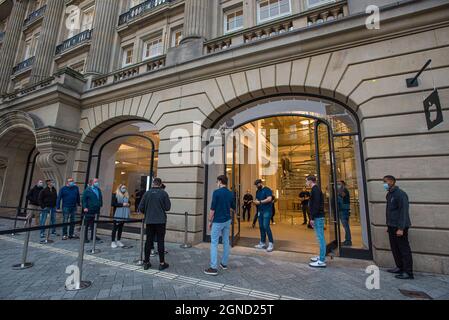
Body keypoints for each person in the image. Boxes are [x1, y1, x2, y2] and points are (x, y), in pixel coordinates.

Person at [204, 175, 236, 276]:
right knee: (226, 241)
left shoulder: (216, 192)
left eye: (217, 182)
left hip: (218, 221)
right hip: (227, 220)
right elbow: (233, 207)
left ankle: (213, 267)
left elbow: (212, 208)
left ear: (220, 182)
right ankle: (224, 263)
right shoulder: (230, 193)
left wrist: (210, 220)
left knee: (214, 243)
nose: (217, 183)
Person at [384, 175, 414, 280]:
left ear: (392, 182)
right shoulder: (389, 195)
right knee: (395, 248)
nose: (384, 184)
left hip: (400, 227)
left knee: (404, 249)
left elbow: (403, 212)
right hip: (392, 226)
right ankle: (399, 267)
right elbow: (390, 212)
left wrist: (401, 228)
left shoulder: (401, 194)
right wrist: (389, 225)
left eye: (385, 181)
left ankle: (408, 272)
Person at [139, 178, 171, 271]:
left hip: (149, 221)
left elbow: (141, 207)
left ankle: (146, 262)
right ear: (160, 184)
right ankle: (162, 263)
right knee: (161, 241)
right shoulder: (164, 193)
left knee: (148, 241)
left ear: (153, 184)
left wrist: (148, 211)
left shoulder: (147, 193)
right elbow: (168, 207)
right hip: (161, 221)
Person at [307, 175, 327, 268]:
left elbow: (315, 205)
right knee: (319, 237)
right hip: (318, 216)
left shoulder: (315, 190)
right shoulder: (315, 189)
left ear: (311, 181)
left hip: (318, 217)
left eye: (307, 181)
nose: (306, 182)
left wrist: (312, 218)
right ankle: (321, 257)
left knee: (320, 238)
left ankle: (322, 260)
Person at [253, 179, 274, 253]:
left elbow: (269, 199)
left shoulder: (267, 189)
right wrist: (255, 201)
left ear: (261, 183)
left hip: (267, 211)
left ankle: (271, 243)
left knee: (266, 226)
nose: (256, 186)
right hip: (260, 211)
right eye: (256, 185)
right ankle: (262, 243)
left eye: (257, 185)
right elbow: (257, 199)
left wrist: (260, 202)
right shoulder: (257, 191)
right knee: (261, 226)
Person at [82, 179, 103, 243]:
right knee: (87, 224)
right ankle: (85, 237)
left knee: (94, 224)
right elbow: (83, 199)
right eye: (96, 182)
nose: (97, 183)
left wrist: (100, 204)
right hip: (89, 210)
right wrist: (85, 207)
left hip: (96, 209)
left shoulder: (98, 189)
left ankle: (93, 236)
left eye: (97, 182)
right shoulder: (87, 190)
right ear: (92, 183)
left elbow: (100, 198)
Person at [111, 184, 131, 249]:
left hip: (124, 214)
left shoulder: (126, 195)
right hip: (117, 214)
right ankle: (113, 241)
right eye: (123, 188)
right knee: (115, 228)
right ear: (119, 188)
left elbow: (129, 202)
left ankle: (118, 240)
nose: (124, 189)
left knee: (120, 228)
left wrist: (128, 204)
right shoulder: (115, 194)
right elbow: (113, 204)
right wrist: (122, 204)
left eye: (125, 188)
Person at [337, 181, 352, 247]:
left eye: (339, 184)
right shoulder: (343, 190)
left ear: (343, 184)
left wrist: (338, 191)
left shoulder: (344, 190)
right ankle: (347, 240)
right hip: (344, 210)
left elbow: (342, 196)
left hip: (344, 210)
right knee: (346, 226)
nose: (338, 185)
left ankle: (348, 241)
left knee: (346, 226)